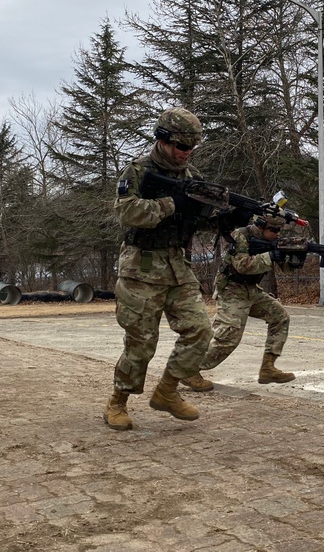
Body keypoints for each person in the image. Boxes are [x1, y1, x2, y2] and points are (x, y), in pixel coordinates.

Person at [104, 107, 214, 430]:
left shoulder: (190, 178)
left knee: (200, 330)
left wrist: (217, 216)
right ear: (163, 140)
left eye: (192, 148)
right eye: (182, 147)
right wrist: (170, 205)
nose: (187, 154)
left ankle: (167, 391)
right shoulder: (137, 172)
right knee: (140, 344)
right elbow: (126, 212)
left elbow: (198, 218)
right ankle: (117, 402)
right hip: (141, 268)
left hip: (177, 267)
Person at [181, 214, 296, 391]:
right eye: (273, 230)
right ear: (261, 227)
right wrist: (271, 255)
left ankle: (268, 368)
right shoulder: (241, 235)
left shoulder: (272, 243)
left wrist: (295, 258)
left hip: (251, 290)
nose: (277, 234)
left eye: (279, 230)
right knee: (228, 337)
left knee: (280, 317)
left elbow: (286, 268)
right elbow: (242, 265)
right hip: (232, 290)